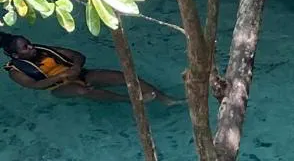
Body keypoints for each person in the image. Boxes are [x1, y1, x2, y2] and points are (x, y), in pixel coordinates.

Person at [0, 31, 176, 103]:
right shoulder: (15, 72)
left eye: (29, 44)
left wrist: (76, 67)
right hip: (59, 87)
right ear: (16, 55)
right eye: (25, 48)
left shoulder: (44, 50)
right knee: (82, 91)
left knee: (121, 76)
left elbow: (77, 55)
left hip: (79, 74)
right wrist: (63, 77)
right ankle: (132, 100)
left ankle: (165, 99)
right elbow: (36, 85)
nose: (31, 47)